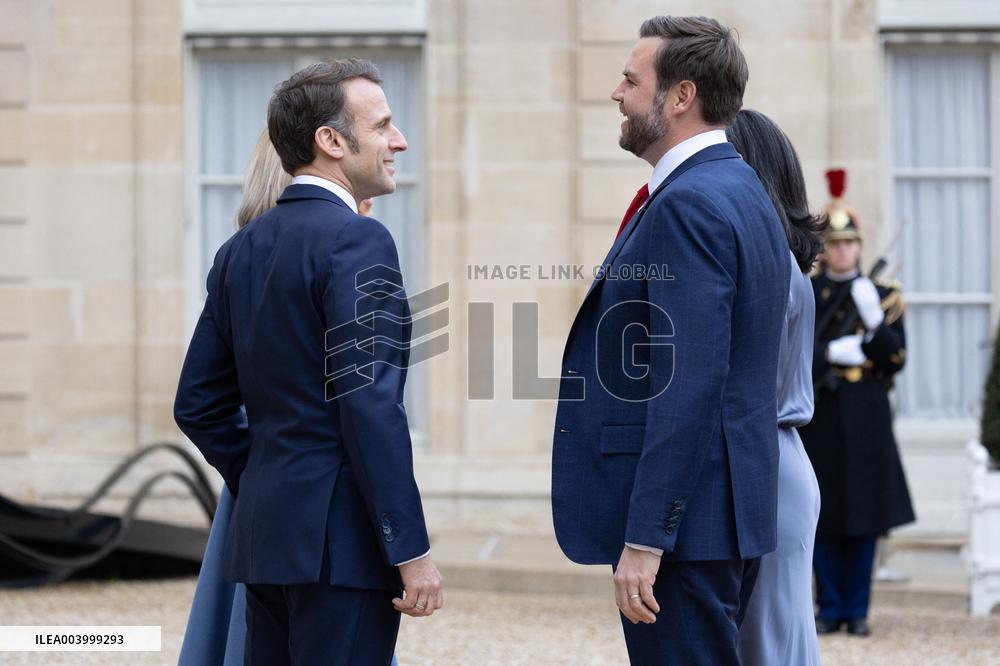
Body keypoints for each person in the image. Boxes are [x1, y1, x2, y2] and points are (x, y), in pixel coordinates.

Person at [174, 59, 442, 665]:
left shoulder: (239, 250)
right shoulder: (359, 239)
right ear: (331, 141)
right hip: (340, 547)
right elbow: (370, 406)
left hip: (265, 537)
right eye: (382, 126)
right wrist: (411, 550)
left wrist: (270, 476)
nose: (399, 141)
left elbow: (197, 404)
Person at [550, 17, 790, 664]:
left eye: (631, 81)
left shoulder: (692, 202)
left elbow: (688, 383)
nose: (617, 94)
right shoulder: (738, 187)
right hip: (715, 518)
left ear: (681, 96)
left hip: (687, 531)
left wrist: (648, 536)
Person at [726, 110, 825, 665]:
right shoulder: (780, 262)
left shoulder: (771, 266)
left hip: (767, 457)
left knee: (768, 644)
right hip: (775, 456)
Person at [797, 169, 914, 637]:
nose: (842, 250)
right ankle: (828, 607)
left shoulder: (882, 296)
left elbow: (896, 358)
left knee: (864, 515)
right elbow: (793, 354)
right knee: (823, 513)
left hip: (866, 409)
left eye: (849, 243)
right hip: (823, 409)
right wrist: (829, 353)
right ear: (824, 249)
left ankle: (858, 609)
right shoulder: (808, 291)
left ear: (859, 247)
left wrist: (875, 322)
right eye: (835, 243)